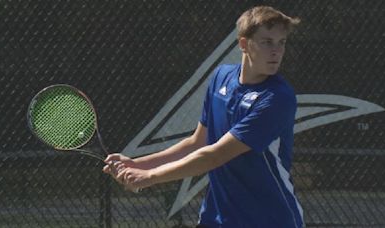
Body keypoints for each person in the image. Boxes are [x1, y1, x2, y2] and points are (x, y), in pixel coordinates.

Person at [103, 5, 304, 228]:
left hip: (269, 221)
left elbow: (215, 155)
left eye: (281, 42)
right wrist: (137, 164)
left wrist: (149, 176)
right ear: (244, 44)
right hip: (216, 219)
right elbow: (197, 142)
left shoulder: (277, 99)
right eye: (267, 42)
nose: (276, 51)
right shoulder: (221, 78)